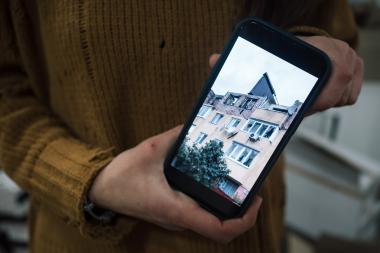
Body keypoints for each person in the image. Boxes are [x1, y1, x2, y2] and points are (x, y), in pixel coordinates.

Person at [0, 0, 363, 252]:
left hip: (254, 233)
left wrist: (323, 56)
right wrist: (91, 179)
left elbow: (337, 29)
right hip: (88, 240)